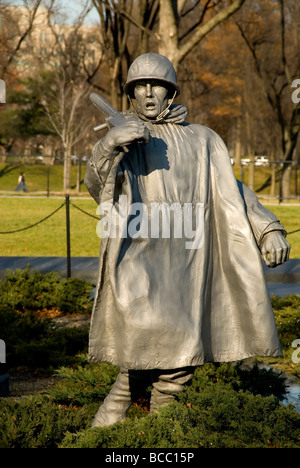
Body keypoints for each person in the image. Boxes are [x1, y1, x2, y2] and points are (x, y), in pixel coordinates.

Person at [84, 53, 290, 428]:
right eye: (139, 86)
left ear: (171, 91)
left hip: (190, 264)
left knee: (178, 363)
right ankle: (117, 434)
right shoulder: (125, 137)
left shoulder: (203, 139)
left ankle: (156, 434)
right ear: (130, 94)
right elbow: (99, 189)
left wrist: (267, 226)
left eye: (156, 85)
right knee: (137, 354)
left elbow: (233, 189)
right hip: (138, 259)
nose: (148, 93)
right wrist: (109, 146)